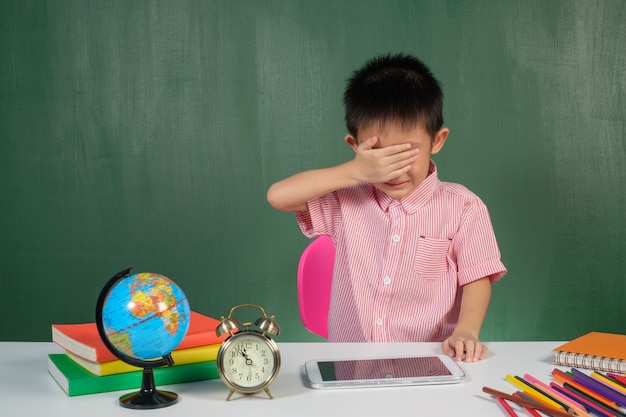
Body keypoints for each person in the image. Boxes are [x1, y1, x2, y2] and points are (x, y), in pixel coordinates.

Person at [266, 53, 506, 362]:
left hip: (431, 359)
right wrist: (355, 171)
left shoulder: (463, 207)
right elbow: (278, 196)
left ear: (437, 140)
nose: (393, 171)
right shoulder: (345, 199)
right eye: (379, 156)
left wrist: (467, 331)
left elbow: (477, 276)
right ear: (356, 147)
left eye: (406, 154)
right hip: (349, 363)